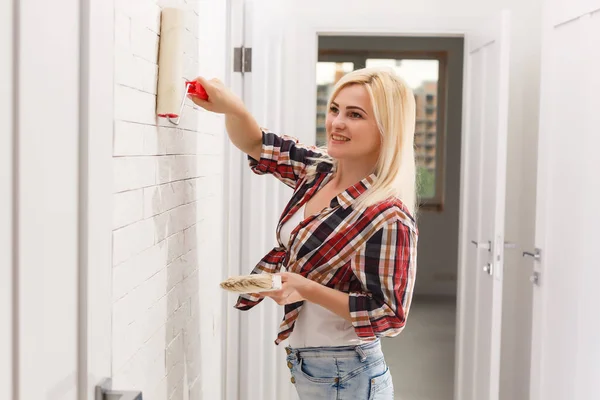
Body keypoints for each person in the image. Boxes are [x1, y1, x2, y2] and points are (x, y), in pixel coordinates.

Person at [189, 67, 418, 400]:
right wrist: (232, 108)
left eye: (355, 115)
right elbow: (255, 143)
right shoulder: (319, 170)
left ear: (387, 129)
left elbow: (390, 316)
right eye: (334, 109)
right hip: (315, 365)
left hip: (347, 371)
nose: (337, 123)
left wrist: (305, 288)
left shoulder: (387, 215)